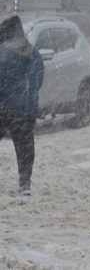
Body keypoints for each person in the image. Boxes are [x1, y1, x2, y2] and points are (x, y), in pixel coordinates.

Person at [0, 15, 44, 197]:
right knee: (25, 147)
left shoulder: (2, 53)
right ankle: (24, 183)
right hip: (26, 108)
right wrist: (27, 95)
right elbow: (38, 78)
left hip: (3, 107)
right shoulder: (33, 52)